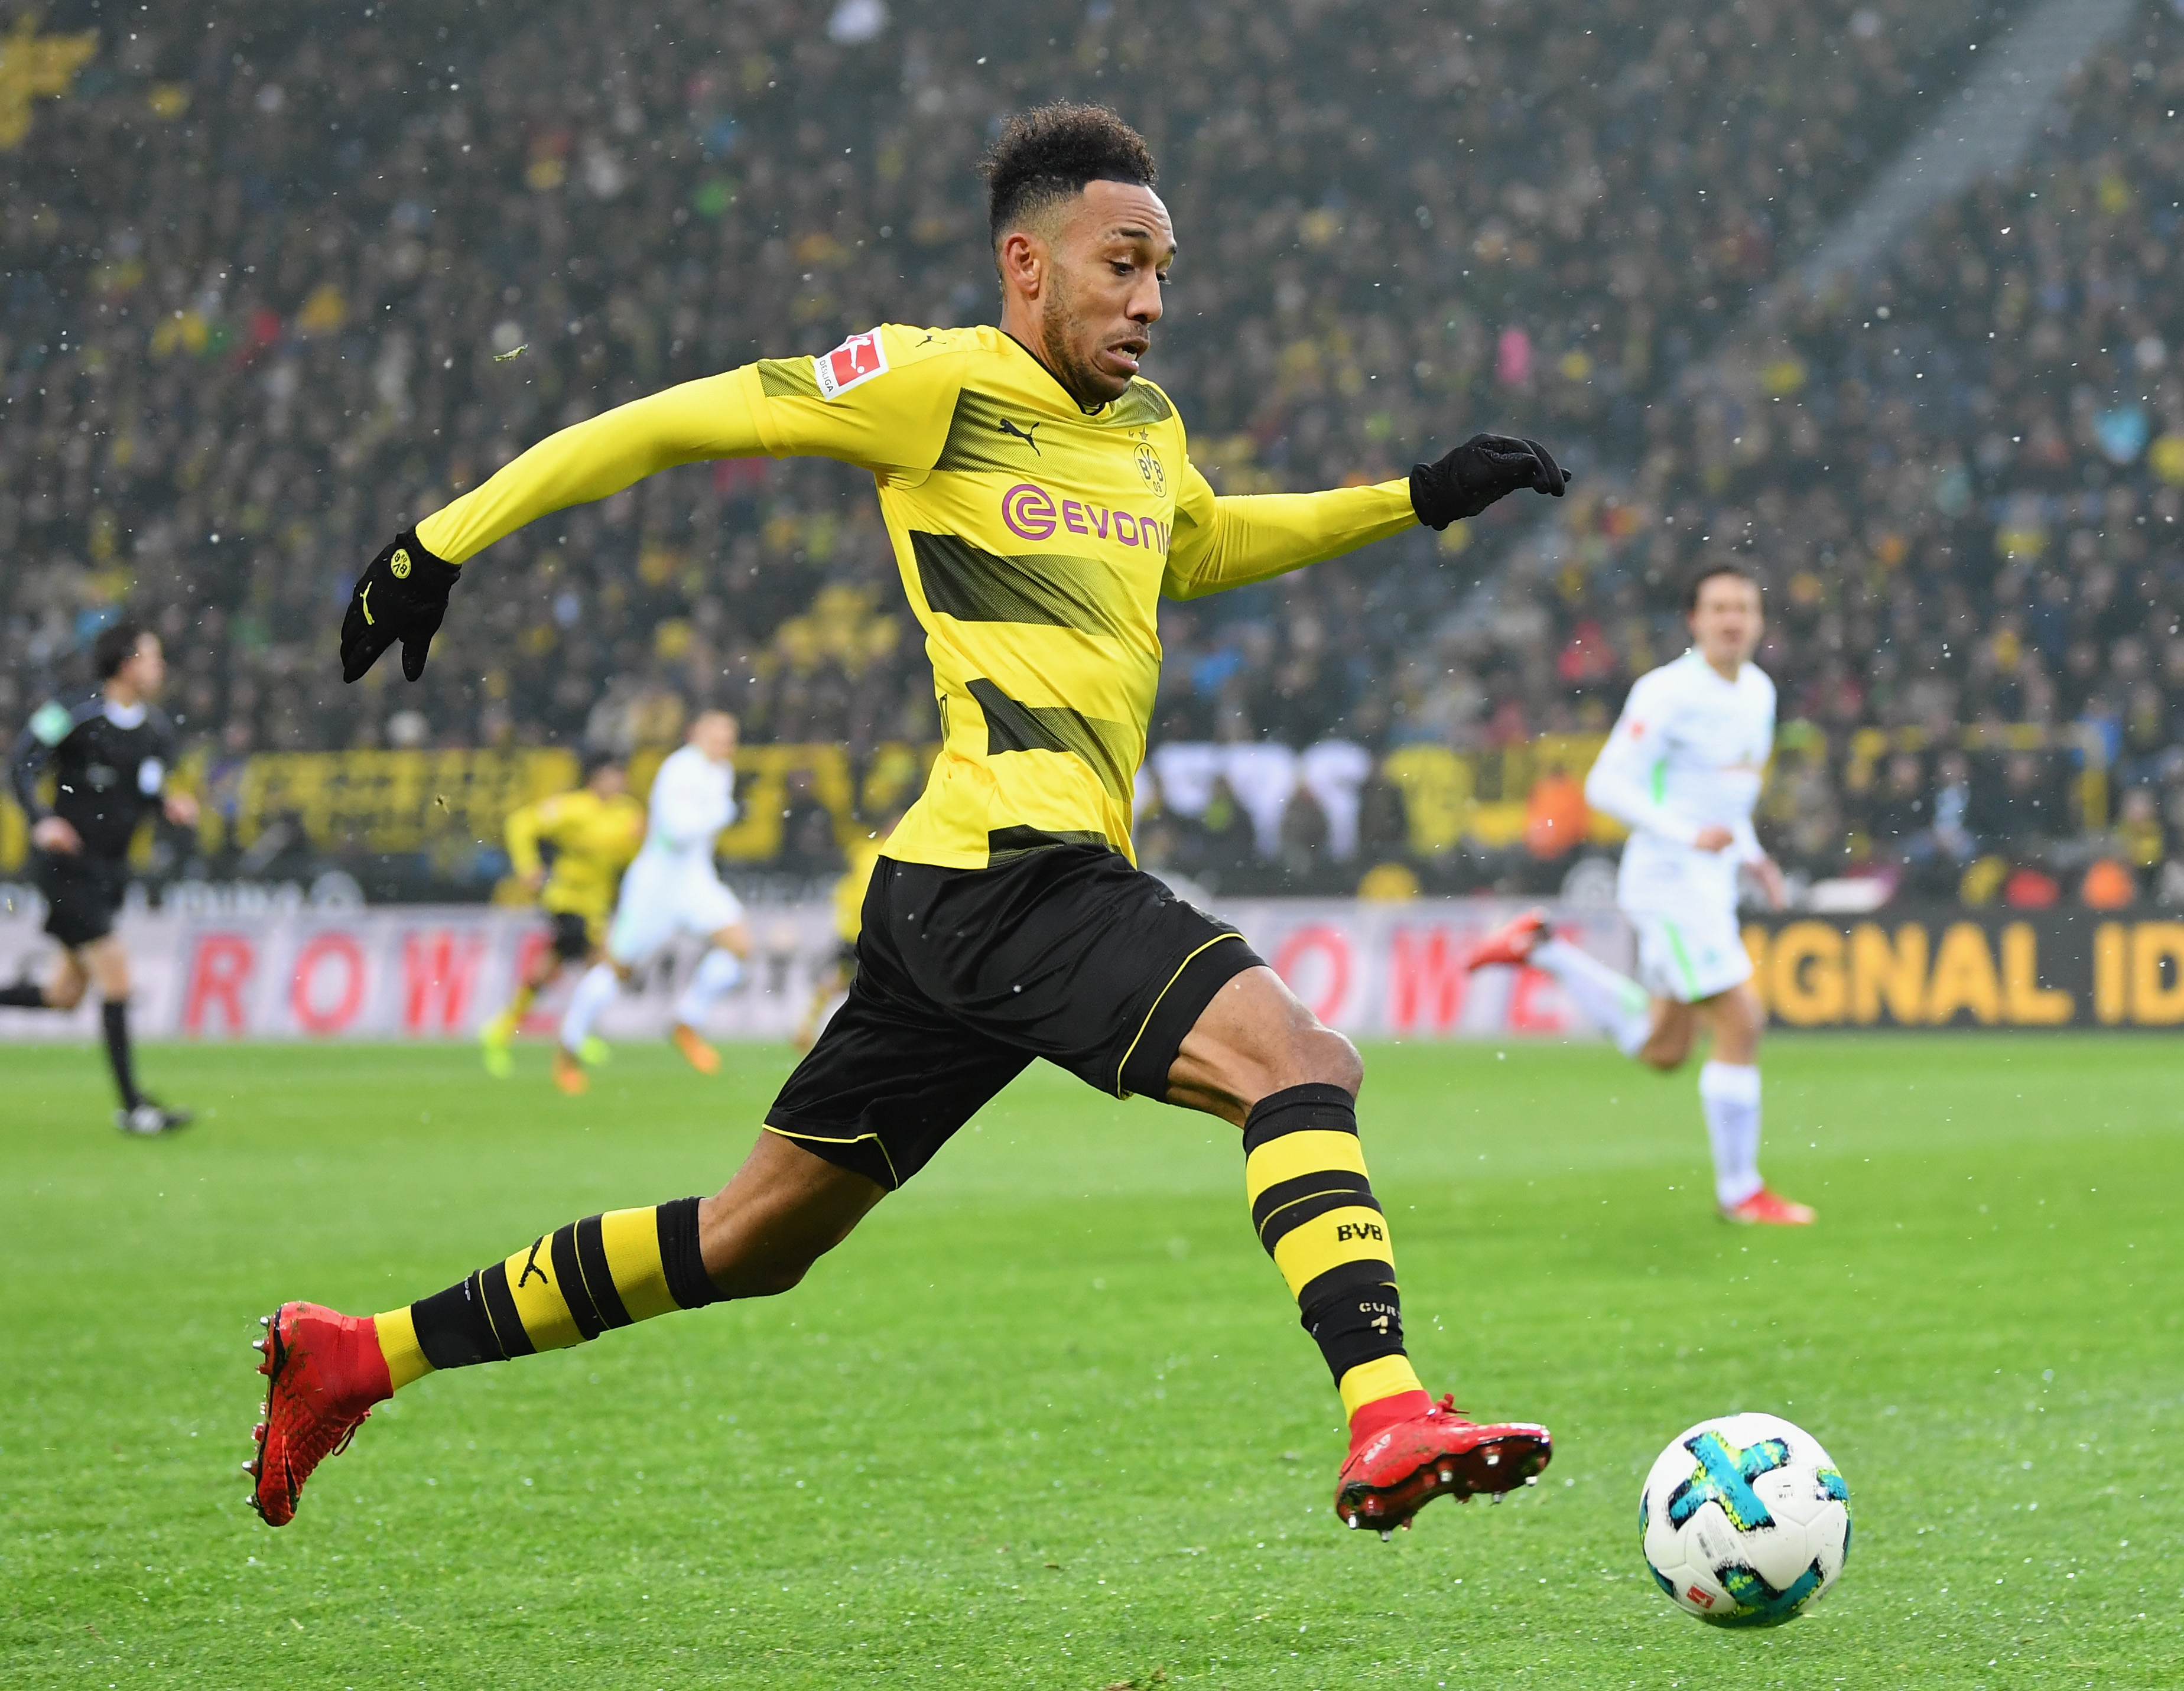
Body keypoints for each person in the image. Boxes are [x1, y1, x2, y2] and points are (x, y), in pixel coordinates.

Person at [251, 103, 1569, 1534]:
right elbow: (669, 422)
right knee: (1299, 1059)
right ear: (1027, 263)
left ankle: (355, 1351)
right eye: (1122, 263)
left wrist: (1416, 497)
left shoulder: (1141, 431)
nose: (1152, 298)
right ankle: (1386, 1409)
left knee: (752, 1236)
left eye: (1166, 270)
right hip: (1014, 868)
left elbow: (1199, 540)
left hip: (961, 894)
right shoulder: (934, 383)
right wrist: (443, 537)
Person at [1467, 564, 1812, 1226]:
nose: (1733, 619)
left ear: (1760, 620)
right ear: (1695, 620)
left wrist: (1754, 857)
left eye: (1744, 607)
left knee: (1665, 1052)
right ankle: (1741, 1193)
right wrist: (1686, 834)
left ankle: (1544, 950)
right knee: (1742, 1018)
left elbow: (1726, 800)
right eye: (1719, 608)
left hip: (1707, 881)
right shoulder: (1667, 692)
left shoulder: (1759, 693)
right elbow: (1606, 787)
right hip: (1668, 880)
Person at [2, 621, 198, 1133]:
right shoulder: (71, 711)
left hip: (110, 873)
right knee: (117, 977)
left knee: (64, 996)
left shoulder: (157, 730)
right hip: (68, 870)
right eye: (153, 657)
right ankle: (135, 1108)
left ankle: (135, 1106)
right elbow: (21, 762)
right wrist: (42, 819)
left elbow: (147, 787)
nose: (160, 667)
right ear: (128, 663)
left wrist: (168, 805)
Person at [548, 710, 752, 1095]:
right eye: (720, 737)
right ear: (697, 735)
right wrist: (719, 815)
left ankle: (685, 1021)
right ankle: (568, 1050)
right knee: (617, 968)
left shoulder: (721, 772)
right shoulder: (679, 770)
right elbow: (675, 832)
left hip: (694, 881)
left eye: (731, 738)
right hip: (657, 884)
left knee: (739, 945)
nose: (727, 746)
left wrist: (716, 816)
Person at [476, 752, 645, 1078]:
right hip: (566, 900)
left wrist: (639, 841)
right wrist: (527, 866)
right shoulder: (572, 808)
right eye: (612, 775)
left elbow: (633, 856)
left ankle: (500, 1030)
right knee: (607, 963)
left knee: (552, 967)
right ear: (594, 779)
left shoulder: (628, 813)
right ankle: (575, 1035)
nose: (618, 782)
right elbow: (520, 823)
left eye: (621, 776)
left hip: (597, 904)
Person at [792, 810, 900, 1051]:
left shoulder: (871, 853)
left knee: (843, 982)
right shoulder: (873, 854)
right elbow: (867, 890)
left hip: (862, 932)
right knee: (859, 983)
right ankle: (819, 1029)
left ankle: (810, 1027)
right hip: (861, 933)